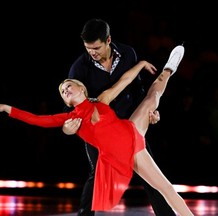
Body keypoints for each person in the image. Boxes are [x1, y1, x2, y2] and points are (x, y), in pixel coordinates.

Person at [0, 45, 194, 215]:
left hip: (132, 130)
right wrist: (7, 109)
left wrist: (141, 65)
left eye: (67, 86)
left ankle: (169, 68)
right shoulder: (71, 117)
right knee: (164, 188)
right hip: (128, 153)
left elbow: (125, 81)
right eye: (62, 92)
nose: (65, 90)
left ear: (81, 88)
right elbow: (37, 119)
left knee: (153, 95)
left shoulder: (102, 100)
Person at [62, 18, 176, 216]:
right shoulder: (79, 69)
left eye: (96, 47)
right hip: (99, 130)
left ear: (108, 40)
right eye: (88, 48)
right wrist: (70, 124)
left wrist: (150, 112)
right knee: (97, 174)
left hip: (128, 125)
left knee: (151, 175)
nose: (92, 52)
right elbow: (70, 104)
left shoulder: (127, 54)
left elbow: (138, 89)